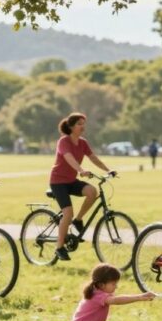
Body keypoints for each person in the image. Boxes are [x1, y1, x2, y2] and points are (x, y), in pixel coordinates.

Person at [49, 113, 115, 263]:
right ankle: (59, 247)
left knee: (92, 192)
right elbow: (68, 157)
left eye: (84, 123)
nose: (82, 126)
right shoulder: (63, 141)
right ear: (71, 126)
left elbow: (93, 157)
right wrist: (80, 170)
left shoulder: (83, 142)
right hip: (58, 182)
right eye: (79, 123)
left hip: (71, 180)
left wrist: (107, 170)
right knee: (68, 212)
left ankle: (78, 220)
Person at [46, 264, 155, 321]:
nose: (116, 287)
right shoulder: (99, 296)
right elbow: (117, 300)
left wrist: (140, 296)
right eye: (113, 284)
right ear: (102, 285)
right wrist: (139, 297)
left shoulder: (96, 291)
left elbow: (118, 297)